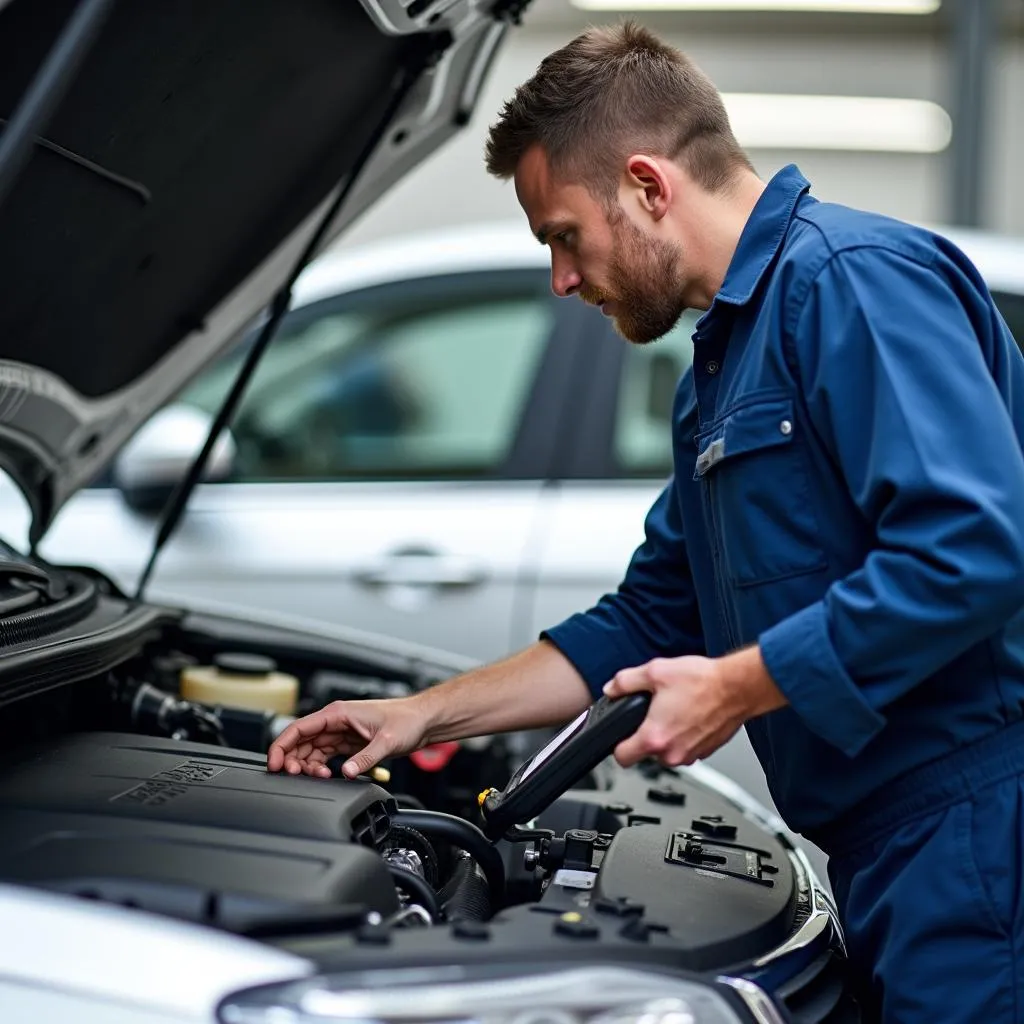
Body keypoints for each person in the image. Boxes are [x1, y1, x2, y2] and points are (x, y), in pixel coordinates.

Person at [268, 22, 1024, 1022]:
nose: (562, 280)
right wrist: (421, 714)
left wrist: (738, 686)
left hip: (976, 831)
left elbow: (973, 545)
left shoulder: (849, 281)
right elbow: (647, 618)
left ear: (646, 185)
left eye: (563, 236)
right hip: (894, 850)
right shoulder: (719, 370)